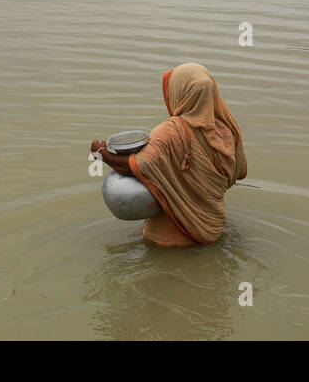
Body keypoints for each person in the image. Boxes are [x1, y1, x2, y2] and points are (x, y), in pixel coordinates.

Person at [90, 62, 246, 247]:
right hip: (212, 229)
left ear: (182, 93)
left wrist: (101, 152)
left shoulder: (170, 132)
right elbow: (240, 172)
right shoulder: (227, 129)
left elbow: (134, 166)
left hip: (168, 241)